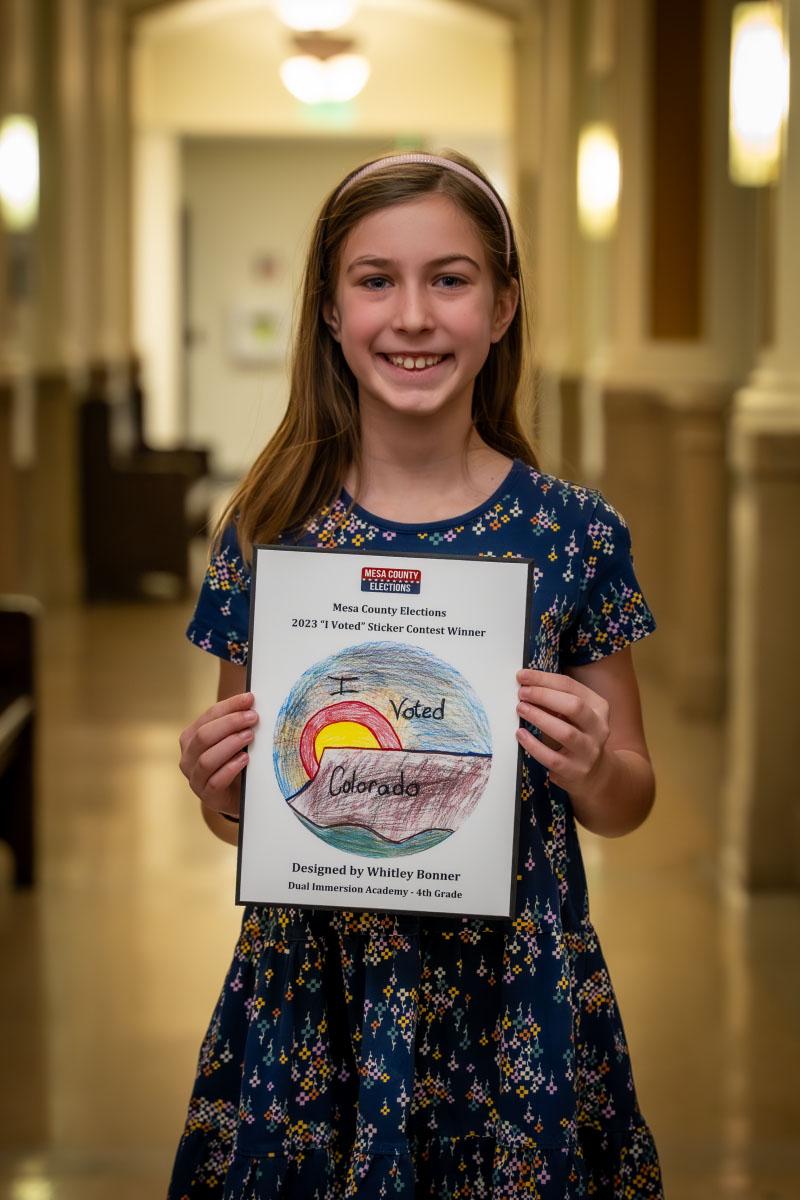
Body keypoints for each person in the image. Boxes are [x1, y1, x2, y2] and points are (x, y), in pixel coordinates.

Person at [169, 151, 664, 1199]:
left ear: (500, 307)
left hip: (512, 994)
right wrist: (220, 788)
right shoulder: (266, 534)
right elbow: (243, 815)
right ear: (326, 312)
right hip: (317, 995)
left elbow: (628, 796)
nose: (412, 317)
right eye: (373, 280)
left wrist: (588, 764)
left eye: (448, 279)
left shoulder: (572, 534)